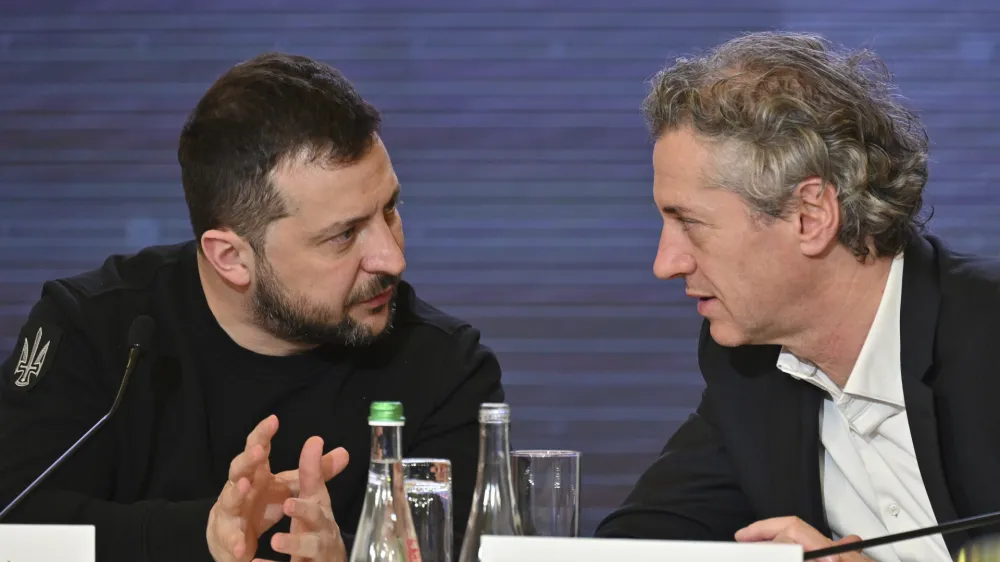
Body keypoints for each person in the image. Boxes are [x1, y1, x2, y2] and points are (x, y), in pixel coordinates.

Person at [0, 52, 504, 562]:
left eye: (390, 209)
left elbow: (461, 550)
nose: (392, 257)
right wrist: (202, 534)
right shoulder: (96, 329)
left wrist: (353, 557)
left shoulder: (445, 367)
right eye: (344, 234)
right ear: (232, 258)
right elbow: (12, 525)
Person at [594, 31, 1000, 562]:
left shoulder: (989, 334)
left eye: (689, 223)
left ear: (810, 216)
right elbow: (642, 542)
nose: (665, 264)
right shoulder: (748, 364)